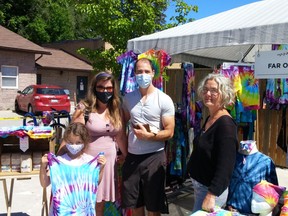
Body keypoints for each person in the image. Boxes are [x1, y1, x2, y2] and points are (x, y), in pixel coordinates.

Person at [64, 71, 128, 216]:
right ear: (94, 88)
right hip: (89, 163)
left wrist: (128, 157)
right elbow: (71, 136)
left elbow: (121, 137)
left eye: (108, 88)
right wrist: (59, 159)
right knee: (87, 202)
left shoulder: (116, 109)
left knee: (101, 204)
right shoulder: (84, 109)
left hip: (109, 163)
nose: (105, 91)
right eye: (101, 87)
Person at [121, 57, 175, 216]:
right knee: (135, 204)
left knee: (153, 207)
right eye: (139, 72)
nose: (142, 75)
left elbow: (170, 131)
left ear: (153, 73)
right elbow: (121, 124)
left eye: (146, 71)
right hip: (132, 158)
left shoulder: (164, 99)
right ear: (134, 74)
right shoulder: (128, 98)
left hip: (154, 158)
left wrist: (150, 136)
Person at [187, 73, 238, 212]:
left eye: (214, 90)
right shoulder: (211, 117)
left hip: (209, 191)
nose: (208, 94)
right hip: (201, 187)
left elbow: (226, 166)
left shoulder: (226, 125)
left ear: (224, 94)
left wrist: (211, 194)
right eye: (205, 90)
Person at [39, 122, 107, 215]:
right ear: (65, 141)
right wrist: (43, 167)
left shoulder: (89, 162)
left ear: (85, 142)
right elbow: (44, 183)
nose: (74, 145)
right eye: (71, 142)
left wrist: (101, 167)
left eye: (78, 142)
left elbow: (95, 182)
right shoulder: (59, 162)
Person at [226, 140, 279, 214]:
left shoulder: (266, 162)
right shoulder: (231, 159)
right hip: (230, 211)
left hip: (254, 212)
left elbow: (274, 194)